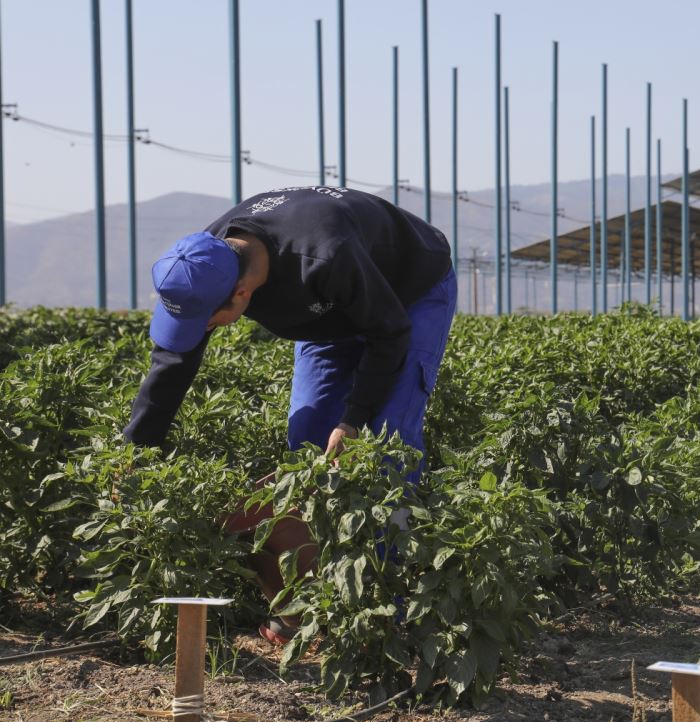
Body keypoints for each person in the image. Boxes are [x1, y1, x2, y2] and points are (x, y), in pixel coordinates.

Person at [124, 185, 456, 643]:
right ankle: (311, 602)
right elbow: (173, 363)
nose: (200, 331)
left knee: (384, 449)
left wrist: (354, 418)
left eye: (205, 321)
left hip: (408, 294)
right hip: (327, 310)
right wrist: (135, 454)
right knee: (307, 441)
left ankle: (385, 619)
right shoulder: (203, 264)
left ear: (242, 295)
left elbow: (389, 332)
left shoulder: (323, 255)